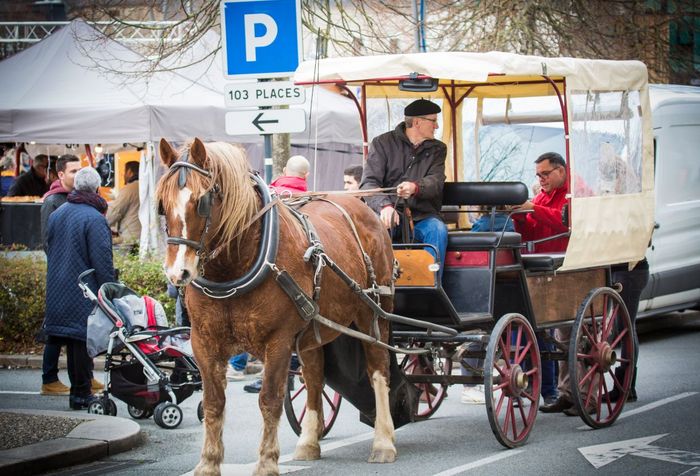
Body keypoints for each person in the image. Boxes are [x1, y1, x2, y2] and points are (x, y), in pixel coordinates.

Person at [512, 152, 581, 414]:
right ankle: (566, 393)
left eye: (545, 174)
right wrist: (518, 215)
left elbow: (565, 222)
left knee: (572, 335)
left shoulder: (571, 195)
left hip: (567, 269)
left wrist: (533, 209)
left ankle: (583, 396)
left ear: (561, 171)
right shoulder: (542, 197)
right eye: (538, 175)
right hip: (545, 269)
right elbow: (531, 230)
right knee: (561, 335)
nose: (541, 179)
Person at [44, 167, 115, 410]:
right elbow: (102, 260)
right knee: (83, 342)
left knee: (74, 342)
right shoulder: (95, 218)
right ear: (97, 189)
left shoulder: (58, 213)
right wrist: (109, 290)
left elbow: (49, 247)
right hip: (83, 289)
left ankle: (78, 394)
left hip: (58, 285)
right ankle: (82, 393)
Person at [361, 98, 448, 271]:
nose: (436, 126)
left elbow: (436, 181)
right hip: (387, 216)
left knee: (437, 230)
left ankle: (430, 285)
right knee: (368, 236)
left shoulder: (438, 149)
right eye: (434, 121)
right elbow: (368, 183)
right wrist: (385, 206)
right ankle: (377, 287)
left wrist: (415, 187)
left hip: (423, 217)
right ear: (417, 122)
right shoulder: (382, 143)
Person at [39, 154, 83, 396]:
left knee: (79, 328)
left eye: (79, 170)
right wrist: (63, 269)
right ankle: (49, 378)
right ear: (61, 175)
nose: (77, 175)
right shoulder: (52, 201)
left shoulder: (76, 199)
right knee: (55, 328)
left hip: (77, 275)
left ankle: (82, 376)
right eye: (73, 171)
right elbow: (48, 242)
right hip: (60, 275)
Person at [107, 161, 141, 248]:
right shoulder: (145, 187)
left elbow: (113, 214)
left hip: (130, 240)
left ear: (129, 172)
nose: (123, 176)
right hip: (143, 239)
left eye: (124, 172)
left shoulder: (129, 189)